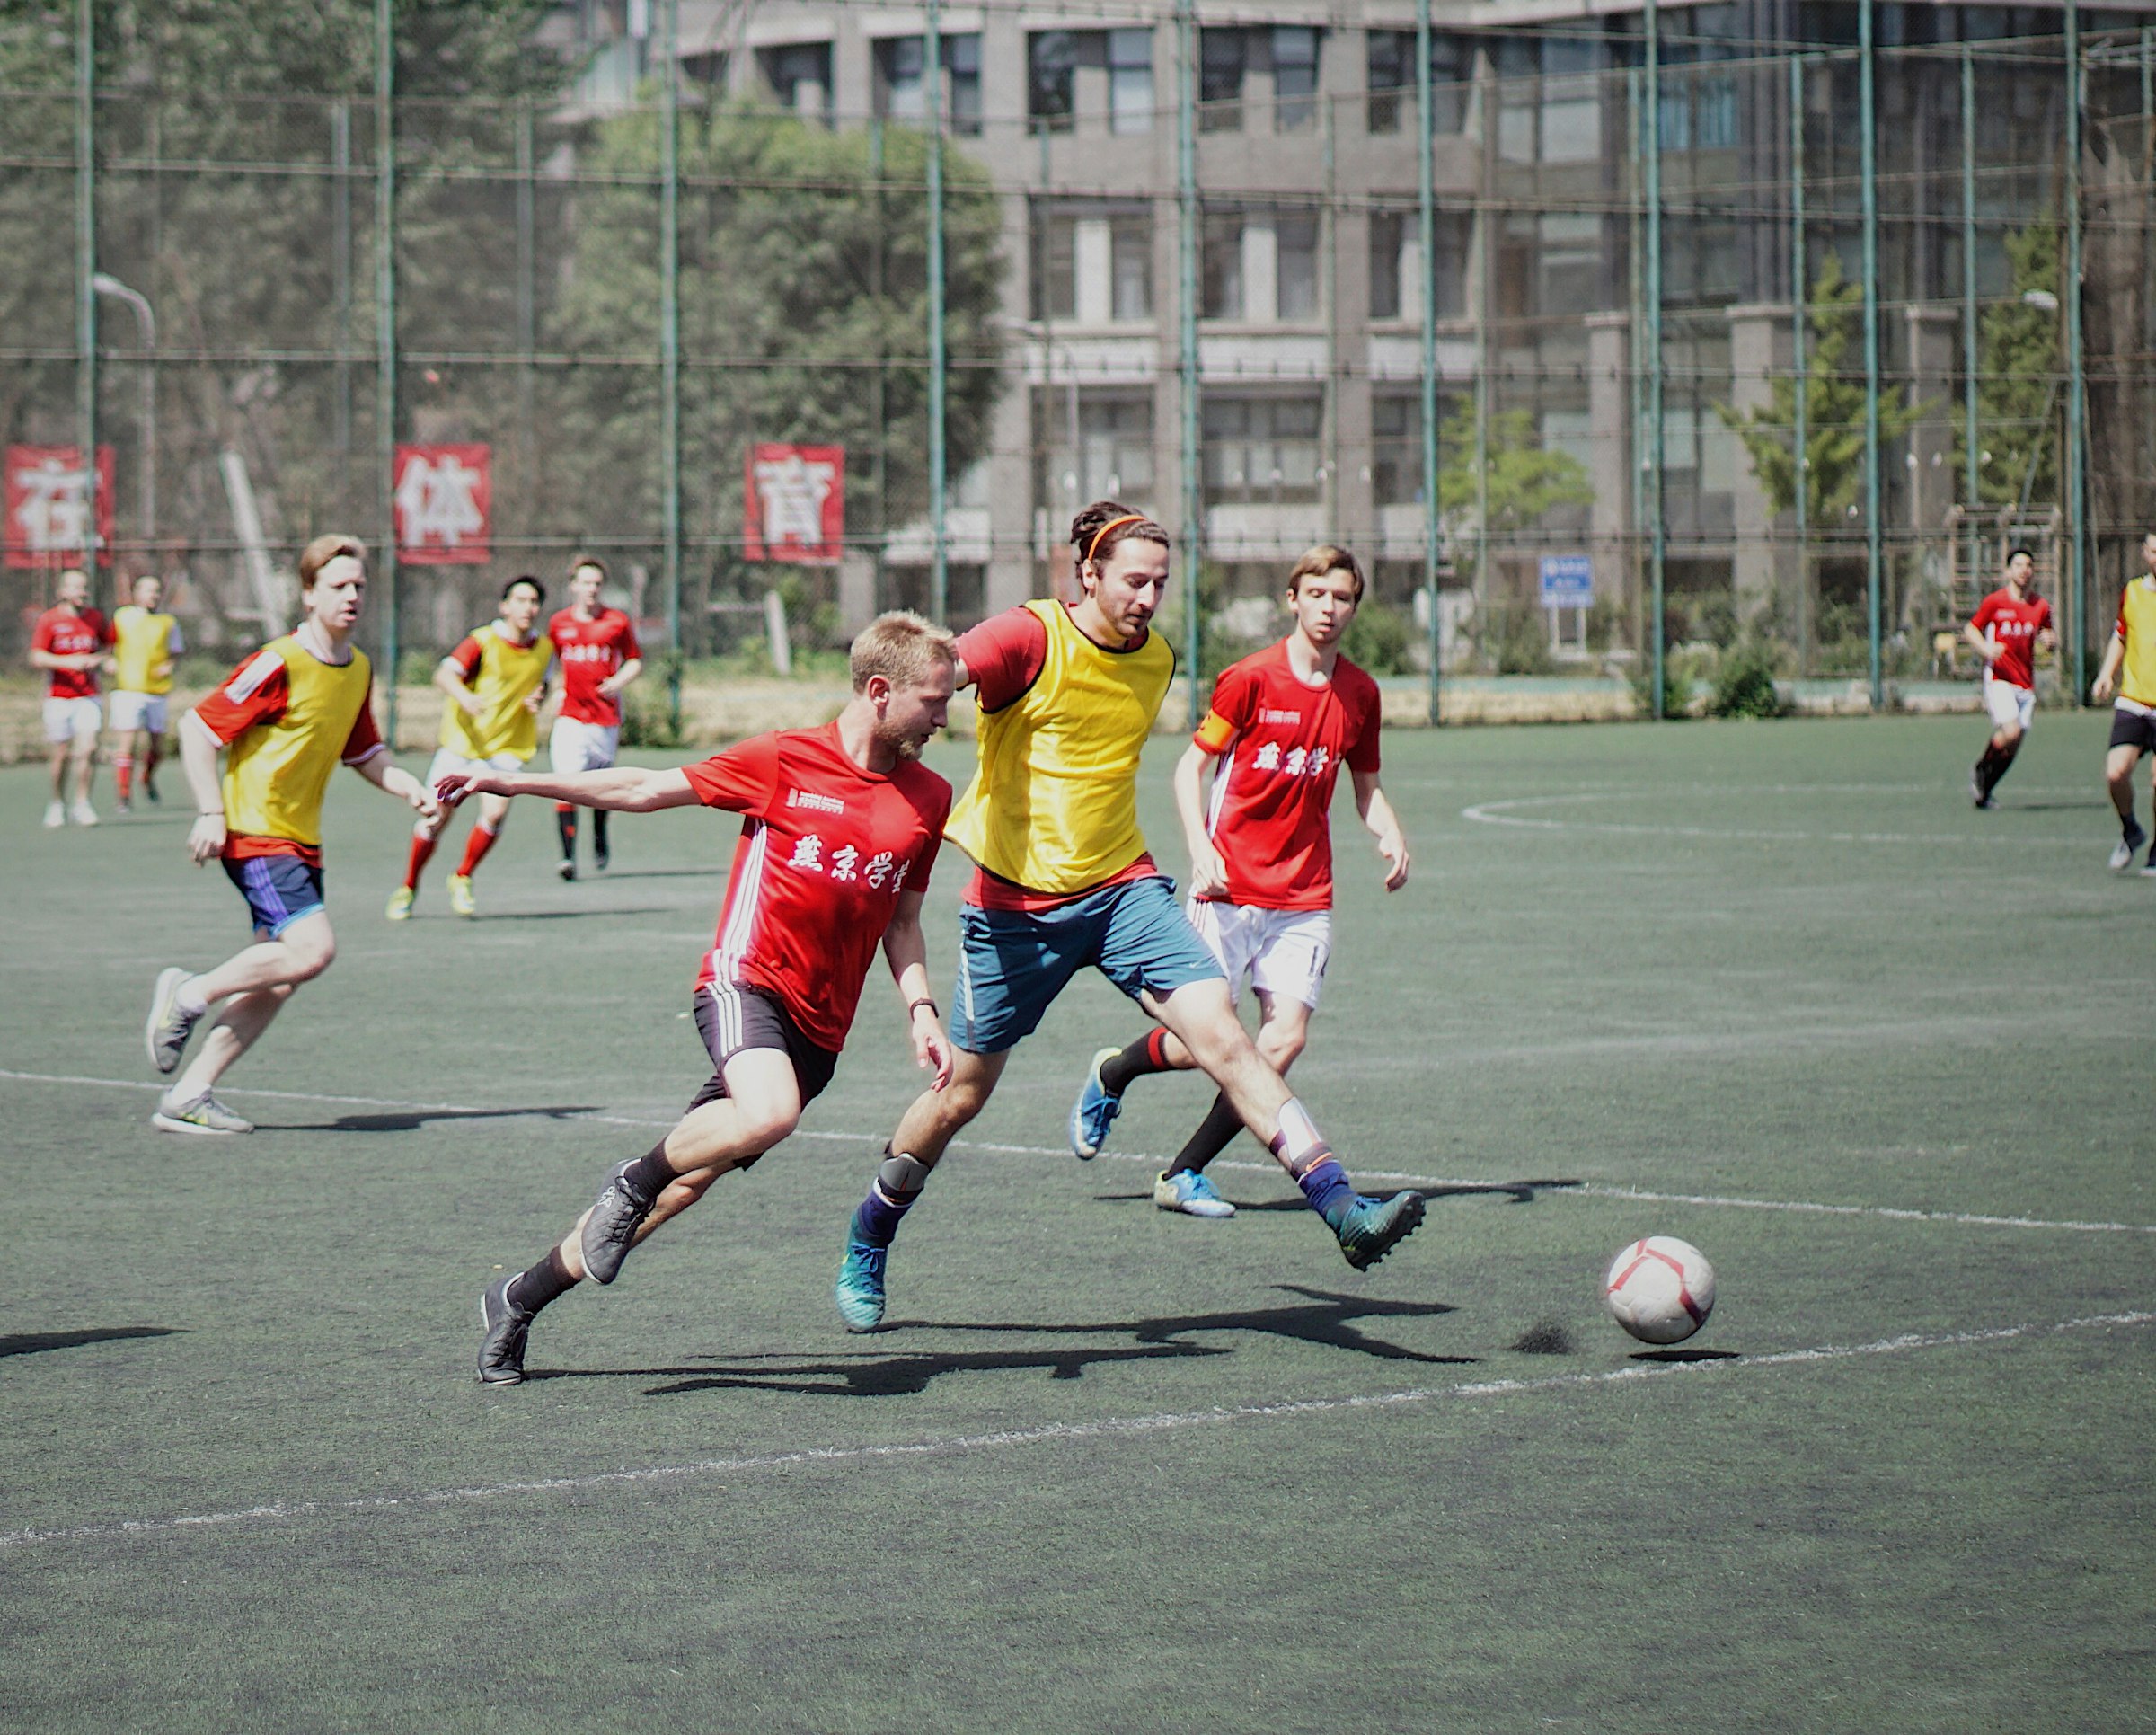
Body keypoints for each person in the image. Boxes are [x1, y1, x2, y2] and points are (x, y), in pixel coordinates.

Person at [829, 503, 1427, 1336]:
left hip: (1122, 890)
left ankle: (1340, 1206)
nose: (1148, 597)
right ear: (1089, 576)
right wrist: (865, 757)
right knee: (961, 1094)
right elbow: (931, 679)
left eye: (1160, 583)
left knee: (1224, 1033)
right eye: (1133, 580)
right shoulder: (1026, 639)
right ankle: (871, 1232)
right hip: (1013, 908)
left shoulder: (1159, 661)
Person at [457, 613, 957, 1385]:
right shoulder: (785, 758)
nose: (944, 716)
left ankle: (517, 1299)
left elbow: (904, 919)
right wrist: (514, 780)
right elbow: (642, 787)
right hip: (744, 979)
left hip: (819, 1031)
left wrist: (921, 1010)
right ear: (880, 690)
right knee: (764, 1114)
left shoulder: (929, 796)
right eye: (933, 700)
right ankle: (631, 1179)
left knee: (690, 1179)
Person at [1071, 544, 1410, 1218]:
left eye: (1341, 598)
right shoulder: (1249, 679)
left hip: (1305, 895)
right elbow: (1187, 769)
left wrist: (1389, 830)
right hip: (1228, 889)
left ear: (1353, 607)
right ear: (1293, 598)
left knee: (1282, 1041)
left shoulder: (1361, 694)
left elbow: (1364, 787)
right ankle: (1115, 1071)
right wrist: (1201, 850)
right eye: (1316, 594)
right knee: (1212, 1042)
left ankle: (1183, 1170)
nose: (1328, 608)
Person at [143, 535, 437, 1134]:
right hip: (254, 832)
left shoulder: (356, 667)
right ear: (308, 594)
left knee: (279, 979)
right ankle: (189, 993)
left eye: (359, 585)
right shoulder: (277, 660)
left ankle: (190, 1094)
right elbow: (198, 727)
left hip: (300, 840)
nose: (352, 595)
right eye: (338, 586)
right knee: (312, 951)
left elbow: (364, 751)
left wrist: (407, 786)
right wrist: (209, 812)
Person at [387, 575, 553, 919]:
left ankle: (462, 877)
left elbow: (542, 684)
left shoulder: (544, 649)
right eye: (520, 600)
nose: (528, 608)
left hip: (505, 748)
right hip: (463, 746)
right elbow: (444, 675)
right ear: (504, 606)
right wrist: (465, 697)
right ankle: (408, 886)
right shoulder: (482, 641)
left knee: (494, 814)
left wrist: (538, 698)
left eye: (534, 601)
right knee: (436, 819)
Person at [544, 555, 643, 879]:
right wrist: (553, 689)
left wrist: (619, 682)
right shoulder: (559, 623)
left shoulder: (616, 622)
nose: (591, 589)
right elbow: (553, 663)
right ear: (573, 586)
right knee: (566, 783)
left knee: (600, 787)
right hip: (571, 717)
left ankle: (600, 836)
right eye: (585, 583)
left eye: (597, 584)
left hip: (604, 720)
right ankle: (567, 857)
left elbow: (634, 660)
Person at [1964, 548, 2055, 809]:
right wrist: (1986, 649)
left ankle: (1985, 793)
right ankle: (1981, 769)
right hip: (1999, 678)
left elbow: (2047, 635)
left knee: (2013, 747)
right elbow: (1971, 629)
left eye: (2029, 565)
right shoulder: (1996, 602)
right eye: (2018, 565)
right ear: (2008, 571)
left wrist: (2050, 641)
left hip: (2025, 682)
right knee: (2011, 731)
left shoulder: (2040, 606)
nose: (2024, 570)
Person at [2092, 527, 2156, 873]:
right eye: (2154, 551)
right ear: (2146, 554)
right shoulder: (2132, 592)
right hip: (2133, 699)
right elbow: (2120, 636)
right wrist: (2106, 674)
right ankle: (2130, 829)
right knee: (2116, 774)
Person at [30, 566, 110, 828]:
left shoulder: (96, 618)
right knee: (61, 753)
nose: (81, 592)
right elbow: (37, 656)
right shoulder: (49, 620)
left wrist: (99, 661)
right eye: (75, 587)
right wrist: (69, 663)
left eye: (84, 587)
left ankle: (82, 803)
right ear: (63, 591)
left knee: (88, 749)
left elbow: (108, 647)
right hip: (59, 696)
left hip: (88, 695)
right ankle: (56, 803)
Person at [110, 572, 185, 814]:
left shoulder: (167, 622)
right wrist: (108, 661)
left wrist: (169, 665)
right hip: (128, 688)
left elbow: (175, 651)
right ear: (136, 594)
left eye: (156, 591)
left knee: (157, 748)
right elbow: (106, 644)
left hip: (156, 690)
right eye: (148, 590)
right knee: (127, 742)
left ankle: (146, 777)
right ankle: (123, 794)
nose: (153, 595)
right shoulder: (122, 617)